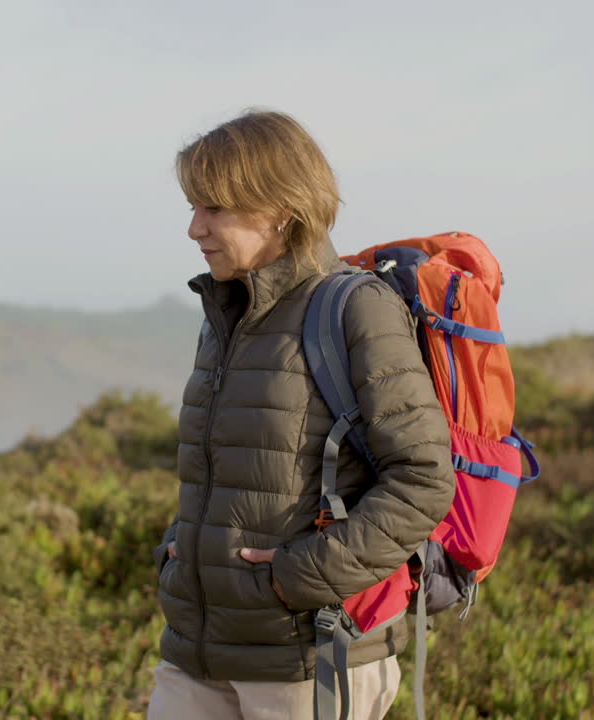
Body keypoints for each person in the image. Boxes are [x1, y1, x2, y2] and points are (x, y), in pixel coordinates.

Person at [148, 110, 456, 720]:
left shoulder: (354, 308)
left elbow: (423, 479)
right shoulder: (225, 315)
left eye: (213, 208)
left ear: (280, 208)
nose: (193, 228)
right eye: (192, 206)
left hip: (309, 657)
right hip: (199, 652)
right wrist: (180, 550)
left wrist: (297, 578)